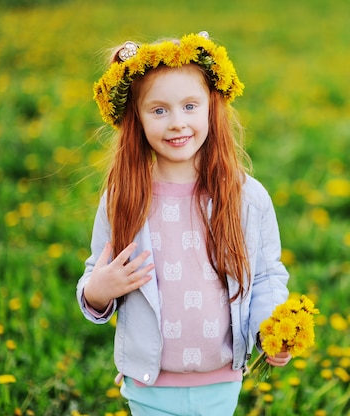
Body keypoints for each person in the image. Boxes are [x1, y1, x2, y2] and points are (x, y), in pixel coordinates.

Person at [76, 31, 291, 415]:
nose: (177, 122)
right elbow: (96, 276)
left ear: (212, 106)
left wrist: (268, 331)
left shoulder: (246, 197)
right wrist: (98, 290)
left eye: (190, 106)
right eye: (159, 111)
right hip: (149, 384)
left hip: (221, 380)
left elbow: (265, 277)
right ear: (136, 119)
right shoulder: (124, 197)